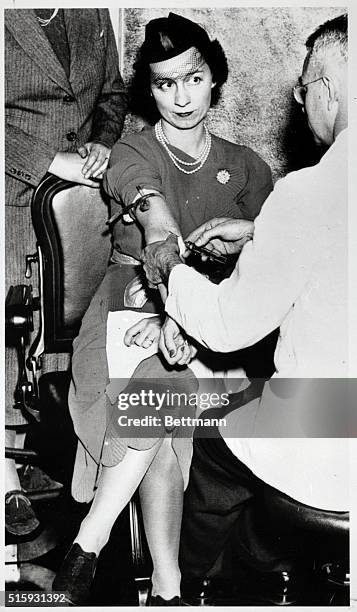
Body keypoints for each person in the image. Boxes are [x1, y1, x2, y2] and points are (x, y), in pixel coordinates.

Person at [53, 12, 273, 605]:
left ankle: (92, 545)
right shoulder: (131, 151)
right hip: (132, 302)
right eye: (164, 84)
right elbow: (157, 228)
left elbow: (277, 253)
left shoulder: (247, 164)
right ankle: (168, 585)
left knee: (164, 391)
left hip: (219, 314)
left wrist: (203, 311)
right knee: (161, 383)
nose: (181, 97)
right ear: (149, 91)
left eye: (193, 78)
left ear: (214, 78)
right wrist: (176, 311)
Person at [141, 13, 349, 604]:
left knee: (215, 443)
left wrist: (172, 270)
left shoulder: (308, 190)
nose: (298, 98)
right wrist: (262, 233)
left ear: (329, 90)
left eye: (304, 87)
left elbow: (228, 327)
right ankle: (271, 566)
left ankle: (203, 583)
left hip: (333, 424)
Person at [5, 8, 127, 537]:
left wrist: (101, 140)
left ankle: (58, 454)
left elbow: (112, 96)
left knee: (74, 338)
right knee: (12, 326)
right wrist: (51, 161)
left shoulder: (90, 10)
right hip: (12, 191)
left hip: (84, 201)